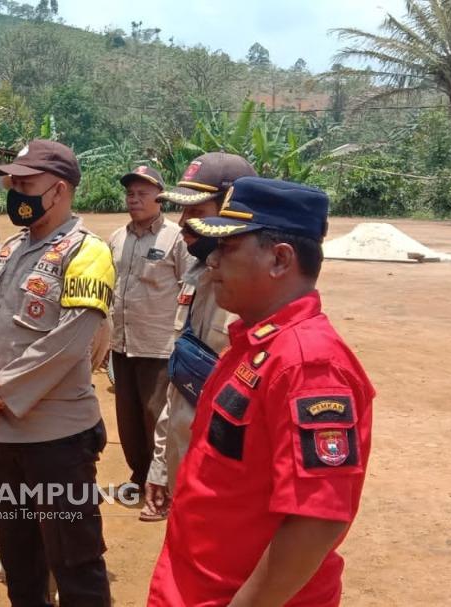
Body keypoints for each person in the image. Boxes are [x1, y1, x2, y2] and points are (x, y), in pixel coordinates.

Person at [148, 177, 375, 606]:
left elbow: (316, 520)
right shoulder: (255, 343)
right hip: (195, 586)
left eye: (229, 248)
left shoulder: (308, 364)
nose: (212, 261)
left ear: (280, 259)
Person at [0, 139, 116, 606]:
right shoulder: (11, 250)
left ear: (60, 190)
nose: (16, 192)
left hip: (59, 441)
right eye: (13, 183)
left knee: (75, 562)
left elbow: (69, 344)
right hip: (7, 439)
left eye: (26, 183)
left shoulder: (87, 252)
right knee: (19, 557)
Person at [142, 152, 257, 522]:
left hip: (226, 488)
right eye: (182, 213)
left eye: (196, 212)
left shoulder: (254, 297)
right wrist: (161, 467)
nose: (183, 223)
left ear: (232, 208)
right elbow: (181, 387)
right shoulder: (195, 277)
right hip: (184, 471)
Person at [106, 165, 190, 500]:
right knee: (127, 420)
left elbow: (189, 289)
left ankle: (163, 485)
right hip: (122, 345)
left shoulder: (175, 238)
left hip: (158, 346)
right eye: (130, 193)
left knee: (157, 418)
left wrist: (183, 341)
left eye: (142, 193)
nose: (135, 199)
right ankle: (139, 477)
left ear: (160, 197)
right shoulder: (117, 238)